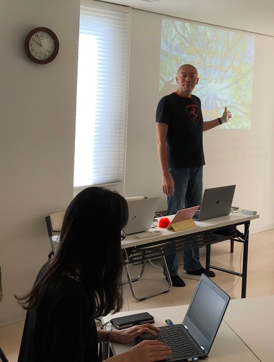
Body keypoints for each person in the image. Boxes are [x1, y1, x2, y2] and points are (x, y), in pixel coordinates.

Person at [18, 187, 172, 362]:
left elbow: (69, 337)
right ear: (100, 239)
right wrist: (129, 357)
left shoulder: (51, 269)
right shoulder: (70, 296)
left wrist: (112, 335)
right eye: (118, 234)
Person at [156, 63, 232, 287]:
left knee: (193, 217)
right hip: (177, 169)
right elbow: (160, 140)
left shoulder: (196, 101)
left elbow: (197, 127)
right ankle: (170, 270)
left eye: (192, 76)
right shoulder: (167, 103)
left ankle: (192, 264)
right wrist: (165, 174)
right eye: (184, 76)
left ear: (197, 81)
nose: (188, 79)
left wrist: (221, 120)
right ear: (177, 79)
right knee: (174, 218)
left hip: (197, 166)